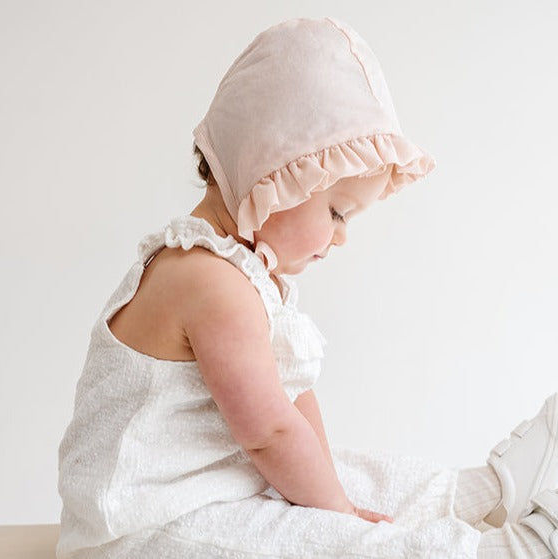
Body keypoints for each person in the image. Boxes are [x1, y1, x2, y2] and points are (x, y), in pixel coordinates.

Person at [56, 16, 558, 559]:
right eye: (338, 212)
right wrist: (338, 517)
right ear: (275, 174)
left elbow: (293, 410)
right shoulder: (206, 282)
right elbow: (270, 434)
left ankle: (480, 494)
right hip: (144, 529)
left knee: (343, 469)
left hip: (218, 492)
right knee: (320, 537)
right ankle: (497, 554)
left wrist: (335, 491)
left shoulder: (245, 277)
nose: (341, 238)